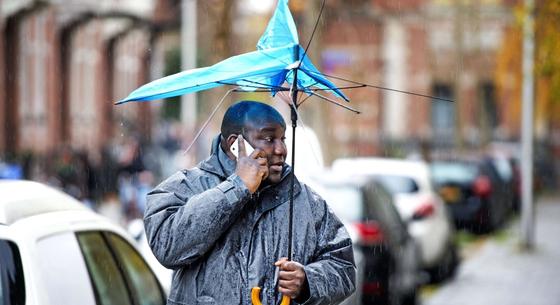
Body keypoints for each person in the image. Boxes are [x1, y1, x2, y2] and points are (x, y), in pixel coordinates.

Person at [144, 101, 356, 305]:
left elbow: (344, 268)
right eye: (269, 139)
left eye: (283, 139)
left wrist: (309, 281)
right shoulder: (184, 187)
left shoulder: (307, 202)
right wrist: (237, 187)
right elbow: (167, 247)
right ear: (235, 144)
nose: (281, 149)